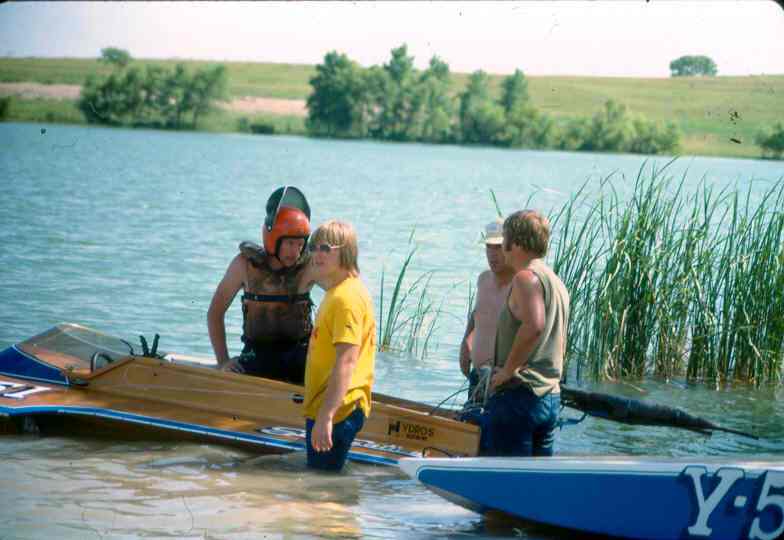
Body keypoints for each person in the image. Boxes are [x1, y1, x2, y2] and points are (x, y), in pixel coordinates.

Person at [481, 209, 570, 457]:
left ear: (516, 243)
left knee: (505, 482)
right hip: (550, 396)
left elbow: (535, 325)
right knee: (537, 483)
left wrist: (508, 370)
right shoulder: (556, 281)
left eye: (505, 239)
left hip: (521, 395)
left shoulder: (525, 278)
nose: (502, 247)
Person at [207, 186, 316, 385]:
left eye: (300, 244)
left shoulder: (309, 267)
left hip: (300, 360)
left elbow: (343, 287)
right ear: (273, 237)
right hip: (256, 357)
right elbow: (215, 313)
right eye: (290, 243)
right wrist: (223, 361)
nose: (296, 252)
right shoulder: (244, 265)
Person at [302, 220, 376, 471]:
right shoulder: (336, 292)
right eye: (313, 247)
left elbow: (347, 361)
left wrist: (327, 416)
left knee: (320, 491)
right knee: (320, 485)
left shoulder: (347, 298)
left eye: (325, 248)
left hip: (338, 411)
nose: (316, 254)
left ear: (345, 251)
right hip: (329, 408)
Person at [459, 219, 514, 405]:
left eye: (498, 247)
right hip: (477, 375)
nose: (492, 254)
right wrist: (466, 342)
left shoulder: (520, 286)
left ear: (510, 248)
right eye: (489, 247)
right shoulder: (483, 280)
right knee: (468, 426)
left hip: (502, 381)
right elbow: (477, 313)